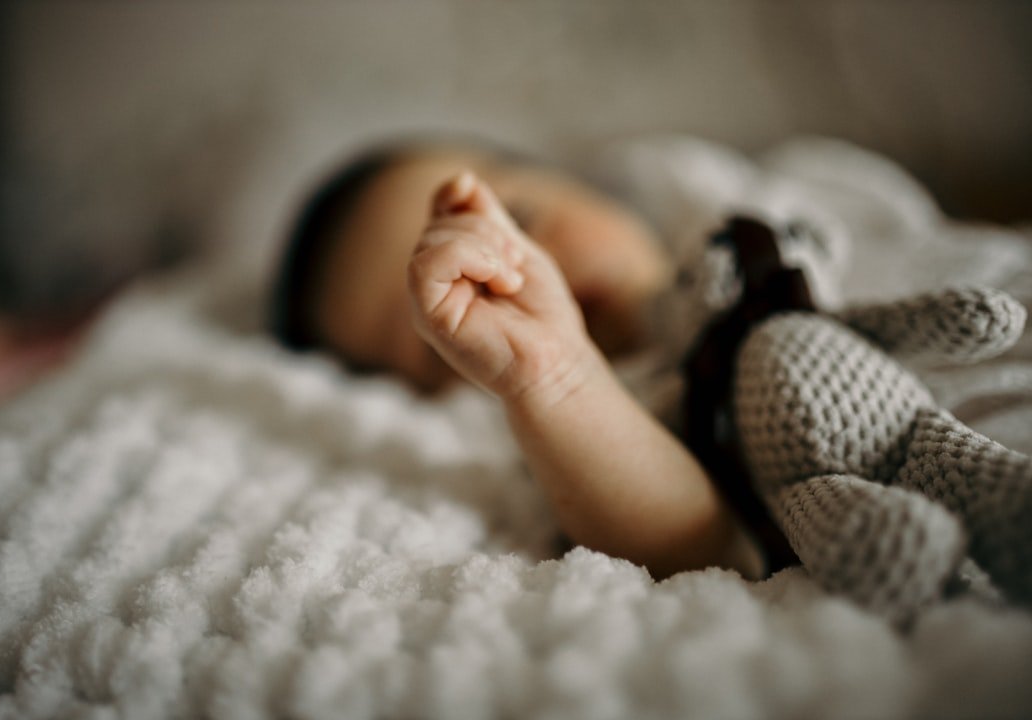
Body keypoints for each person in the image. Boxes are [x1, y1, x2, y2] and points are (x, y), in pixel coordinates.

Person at [270, 138, 763, 580]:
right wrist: (556, 375)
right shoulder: (573, 443)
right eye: (445, 330)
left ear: (576, 183)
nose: (509, 280)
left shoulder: (726, 201)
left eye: (519, 220)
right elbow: (702, 546)